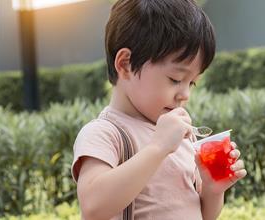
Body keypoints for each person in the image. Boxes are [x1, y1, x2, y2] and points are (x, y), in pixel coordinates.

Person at [70, 0, 247, 219]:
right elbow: (93, 207)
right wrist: (158, 148)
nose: (185, 94)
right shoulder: (105, 134)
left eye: (191, 83)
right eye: (175, 79)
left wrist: (212, 189)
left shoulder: (180, 137)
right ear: (125, 64)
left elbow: (202, 215)